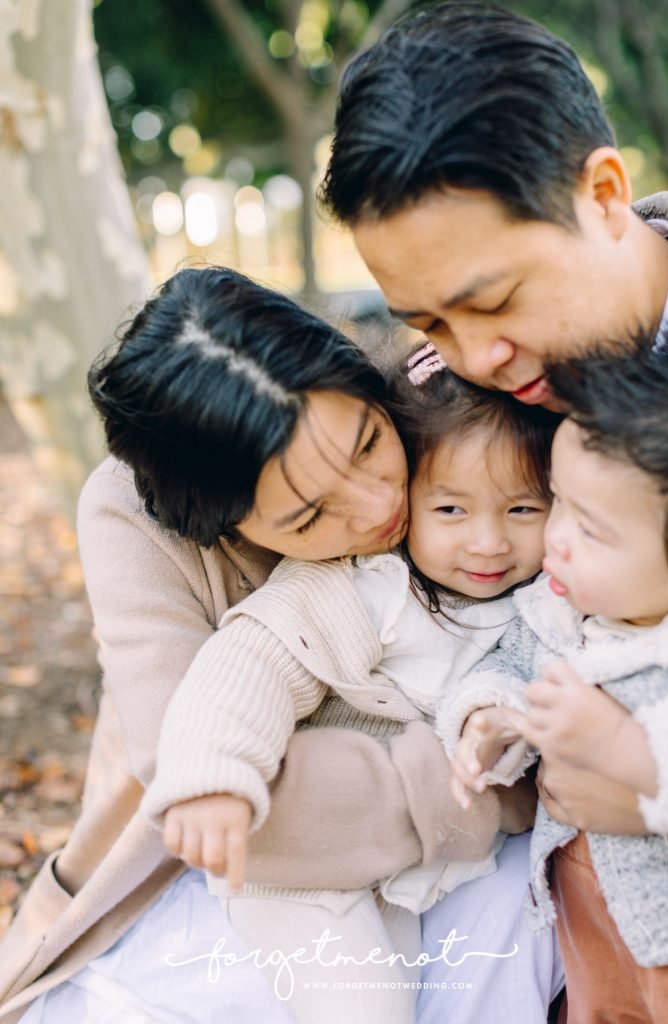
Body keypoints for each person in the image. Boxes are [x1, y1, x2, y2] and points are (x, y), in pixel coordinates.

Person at [0, 269, 559, 1024]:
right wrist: (477, 785)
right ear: (223, 530)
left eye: (367, 442)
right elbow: (209, 768)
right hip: (233, 869)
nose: (379, 504)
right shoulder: (186, 539)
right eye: (308, 516)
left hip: (426, 852)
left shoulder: (438, 424)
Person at [319, 1, 668, 846]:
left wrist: (644, 798)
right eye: (431, 324)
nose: (476, 358)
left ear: (601, 195)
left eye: (494, 303)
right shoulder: (458, 396)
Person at [137, 342, 558, 1021]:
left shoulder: (543, 602)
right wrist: (213, 777)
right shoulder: (363, 585)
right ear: (417, 495)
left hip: (396, 870)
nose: (487, 543)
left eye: (521, 511)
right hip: (301, 881)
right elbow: (250, 664)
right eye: (450, 511)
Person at [447, 341, 668, 1023]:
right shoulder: (558, 612)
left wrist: (617, 745)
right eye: (556, 502)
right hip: (579, 915)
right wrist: (486, 716)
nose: (556, 538)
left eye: (593, 529)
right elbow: (508, 666)